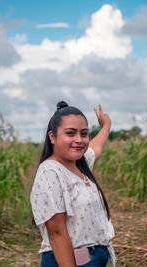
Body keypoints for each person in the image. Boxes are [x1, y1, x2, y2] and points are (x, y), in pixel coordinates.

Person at [30, 101, 115, 267]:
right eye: (71, 133)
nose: (79, 140)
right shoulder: (51, 173)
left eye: (84, 134)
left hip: (94, 258)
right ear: (52, 136)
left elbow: (96, 147)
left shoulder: (78, 164)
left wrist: (106, 125)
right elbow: (57, 234)